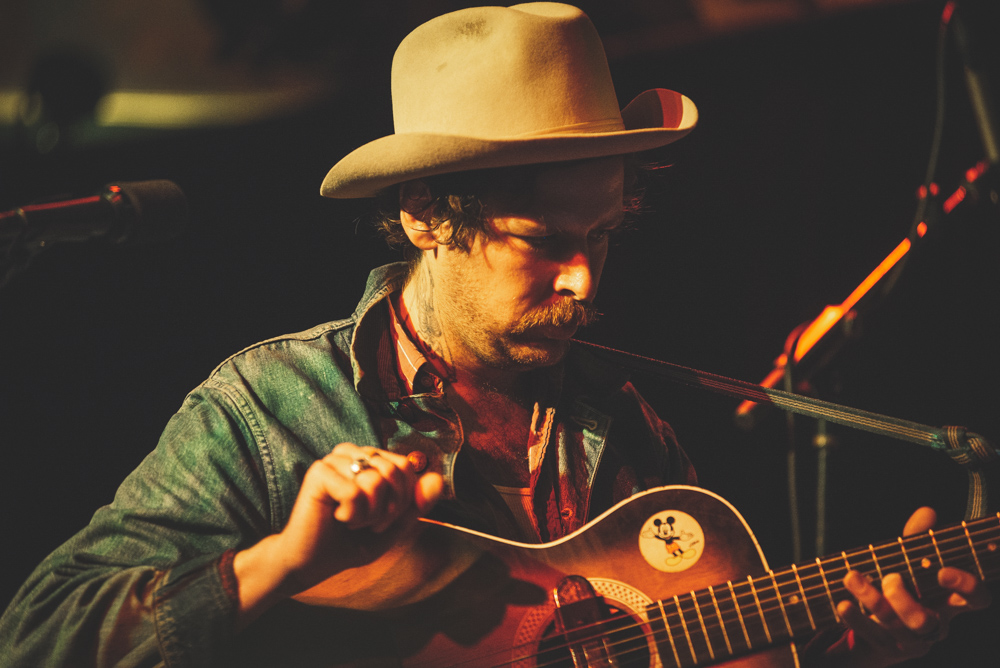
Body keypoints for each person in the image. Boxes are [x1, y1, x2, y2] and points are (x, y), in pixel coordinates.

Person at [0, 3, 989, 667]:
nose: (584, 275)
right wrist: (283, 561)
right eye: (544, 240)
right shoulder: (271, 405)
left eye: (601, 235)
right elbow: (37, 633)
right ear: (428, 214)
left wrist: (851, 638)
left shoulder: (628, 427)